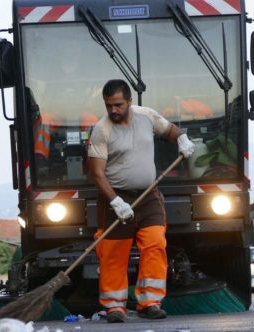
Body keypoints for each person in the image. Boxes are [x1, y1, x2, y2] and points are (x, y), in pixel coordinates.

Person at [87, 79, 195, 323]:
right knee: (114, 253)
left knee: (156, 243)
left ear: (129, 102)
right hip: (115, 197)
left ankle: (150, 302)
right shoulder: (101, 130)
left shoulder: (146, 117)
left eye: (118, 105)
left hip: (148, 195)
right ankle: (114, 306)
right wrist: (115, 201)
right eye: (108, 106)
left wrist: (182, 139)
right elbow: (97, 173)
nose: (113, 110)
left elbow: (169, 130)